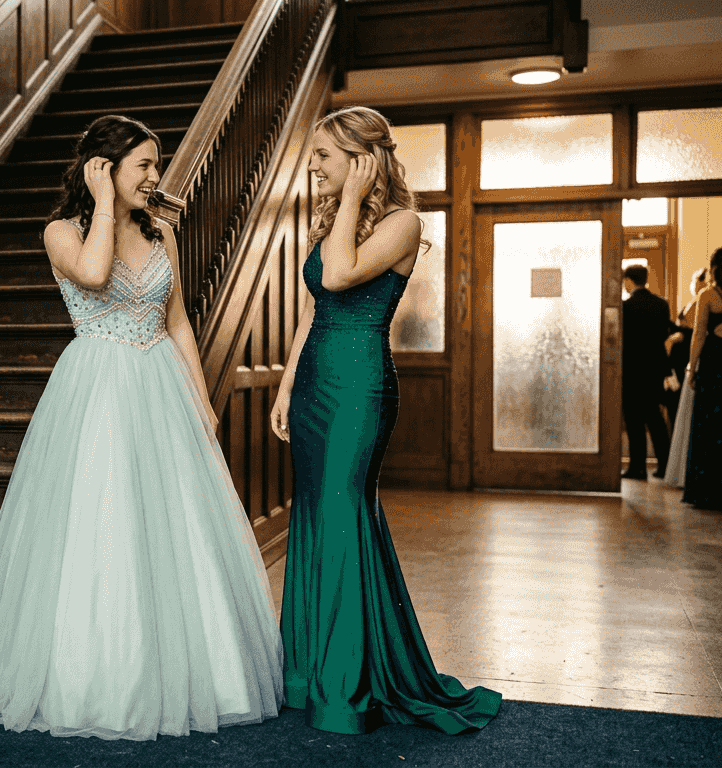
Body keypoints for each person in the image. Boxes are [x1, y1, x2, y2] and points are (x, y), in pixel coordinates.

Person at [0, 115, 286, 741]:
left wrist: (202, 403)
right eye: (143, 164)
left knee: (173, 526)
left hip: (160, 384)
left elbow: (180, 325)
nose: (155, 176)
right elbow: (91, 274)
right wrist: (106, 206)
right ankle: (95, 676)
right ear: (103, 170)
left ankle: (197, 669)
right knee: (102, 521)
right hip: (98, 388)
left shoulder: (162, 231)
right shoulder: (61, 231)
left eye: (156, 164)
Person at [270, 106, 500, 735]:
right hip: (317, 383)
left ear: (362, 159)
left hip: (358, 388)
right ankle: (309, 674)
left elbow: (340, 274)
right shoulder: (337, 220)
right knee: (314, 513)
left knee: (344, 513)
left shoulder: (402, 222)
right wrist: (289, 383)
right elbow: (313, 309)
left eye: (323, 154)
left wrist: (351, 198)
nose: (312, 164)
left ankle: (348, 687)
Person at [682, 248, 722, 510]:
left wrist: (692, 367)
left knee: (708, 425)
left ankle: (706, 490)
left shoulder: (708, 295)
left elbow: (698, 335)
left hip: (714, 364)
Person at [621, 264, 675, 479]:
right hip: (654, 369)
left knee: (634, 420)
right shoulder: (661, 305)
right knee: (655, 418)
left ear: (629, 281)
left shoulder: (626, 306)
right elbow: (663, 334)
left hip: (632, 369)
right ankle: (664, 466)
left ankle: (638, 467)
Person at [663, 268, 708, 488]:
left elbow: (698, 333)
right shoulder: (695, 301)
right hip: (678, 365)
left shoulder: (705, 300)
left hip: (687, 364)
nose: (693, 283)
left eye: (695, 279)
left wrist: (681, 336)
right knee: (675, 411)